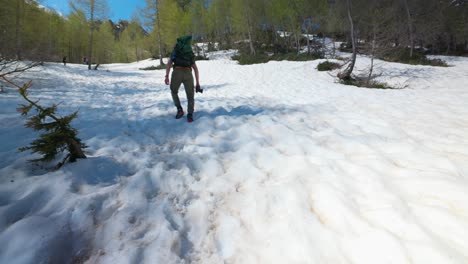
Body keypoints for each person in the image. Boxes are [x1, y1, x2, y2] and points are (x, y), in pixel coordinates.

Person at [165, 35, 201, 123]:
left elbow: (169, 64)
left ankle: (179, 109)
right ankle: (190, 115)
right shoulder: (189, 53)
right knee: (190, 95)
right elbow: (195, 69)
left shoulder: (175, 51)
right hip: (188, 73)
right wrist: (197, 83)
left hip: (177, 72)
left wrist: (166, 76)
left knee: (174, 91)